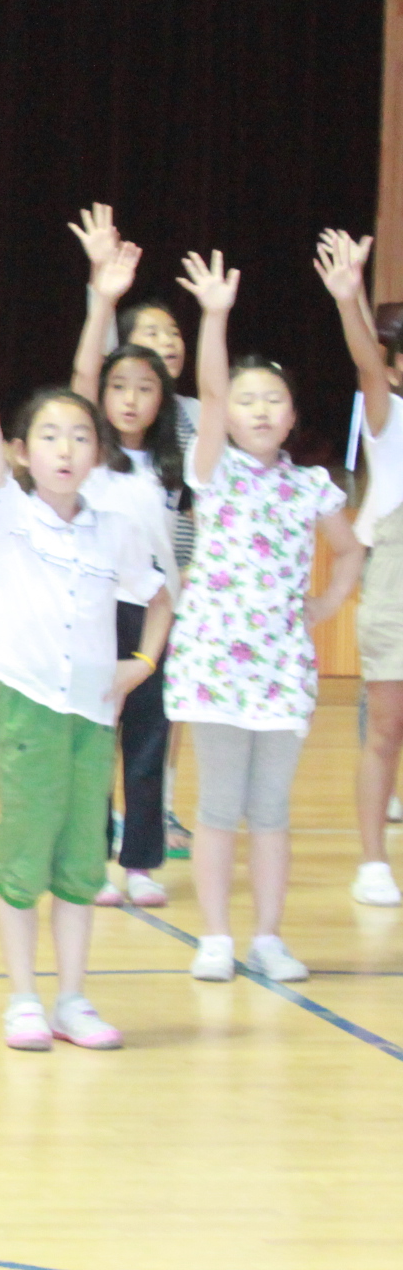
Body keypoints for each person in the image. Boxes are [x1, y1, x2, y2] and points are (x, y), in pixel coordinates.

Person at [0, 263, 171, 1051]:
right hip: (29, 708)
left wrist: (141, 663)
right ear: (23, 452)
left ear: (97, 453)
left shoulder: (116, 529)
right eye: (49, 437)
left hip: (92, 714)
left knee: (80, 860)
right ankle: (23, 999)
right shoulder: (8, 513)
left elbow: (161, 598)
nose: (65, 449)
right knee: (25, 851)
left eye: (80, 437)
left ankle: (73, 999)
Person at [166, 250, 361, 984]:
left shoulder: (311, 487)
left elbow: (350, 552)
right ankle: (216, 936)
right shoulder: (213, 469)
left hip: (281, 668)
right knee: (220, 806)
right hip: (215, 664)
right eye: (247, 399)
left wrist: (325, 605)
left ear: (293, 415)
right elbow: (211, 392)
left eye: (272, 400)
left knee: (271, 810)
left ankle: (269, 938)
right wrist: (214, 316)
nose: (257, 410)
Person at [69, 231, 185, 907]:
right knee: (92, 744)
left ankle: (140, 863)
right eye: (120, 388)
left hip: (153, 615)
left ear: (162, 399)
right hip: (92, 610)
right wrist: (103, 300)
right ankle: (89, 861)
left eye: (146, 389)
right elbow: (83, 375)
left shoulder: (171, 465)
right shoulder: (89, 454)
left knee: (146, 744)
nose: (132, 400)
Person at [310, 232, 403, 907]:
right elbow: (368, 364)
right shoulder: (389, 414)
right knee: (386, 727)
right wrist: (350, 299)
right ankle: (373, 862)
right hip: (395, 571)